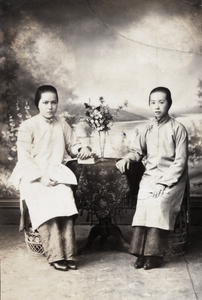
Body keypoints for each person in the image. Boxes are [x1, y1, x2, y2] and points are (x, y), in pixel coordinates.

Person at [10, 85, 92, 271]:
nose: (50, 107)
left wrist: (82, 149)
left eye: (53, 102)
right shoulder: (27, 126)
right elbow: (24, 158)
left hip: (56, 174)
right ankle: (55, 255)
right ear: (38, 104)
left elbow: (73, 144)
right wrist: (40, 177)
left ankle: (70, 254)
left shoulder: (61, 123)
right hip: (32, 176)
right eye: (45, 102)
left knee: (65, 197)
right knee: (46, 203)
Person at [116, 87, 188, 270]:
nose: (157, 106)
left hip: (172, 178)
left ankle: (154, 256)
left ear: (169, 104)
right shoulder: (145, 128)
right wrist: (126, 158)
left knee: (158, 204)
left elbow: (180, 161)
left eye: (161, 102)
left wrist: (164, 182)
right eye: (153, 102)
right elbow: (137, 152)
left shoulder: (178, 129)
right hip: (150, 177)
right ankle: (140, 254)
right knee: (144, 204)